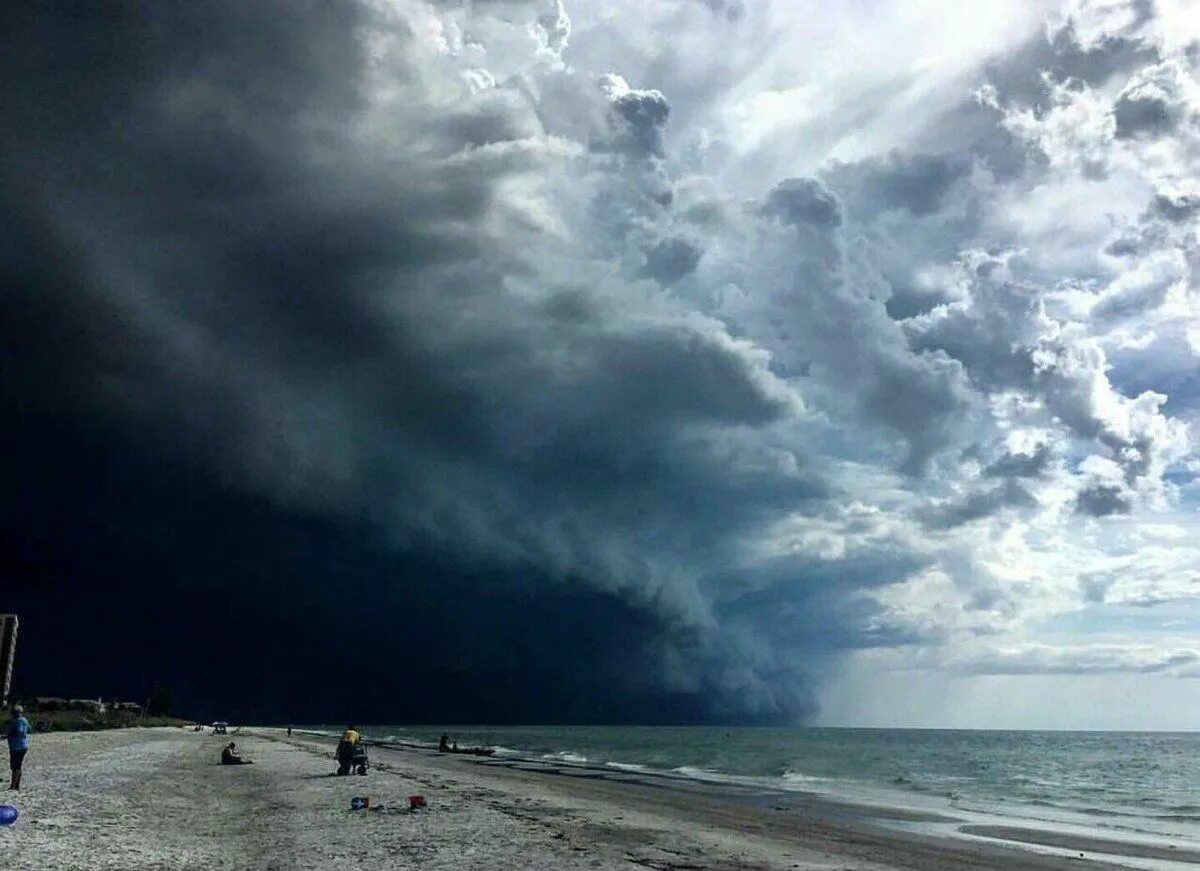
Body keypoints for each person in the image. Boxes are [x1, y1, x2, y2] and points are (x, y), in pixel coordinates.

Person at [7, 705, 31, 790]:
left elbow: (19, 731)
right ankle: (17, 785)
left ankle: (13, 786)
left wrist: (10, 734)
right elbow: (29, 730)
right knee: (18, 766)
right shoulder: (25, 720)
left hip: (17, 746)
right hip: (23, 745)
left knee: (15, 766)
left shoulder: (17, 721)